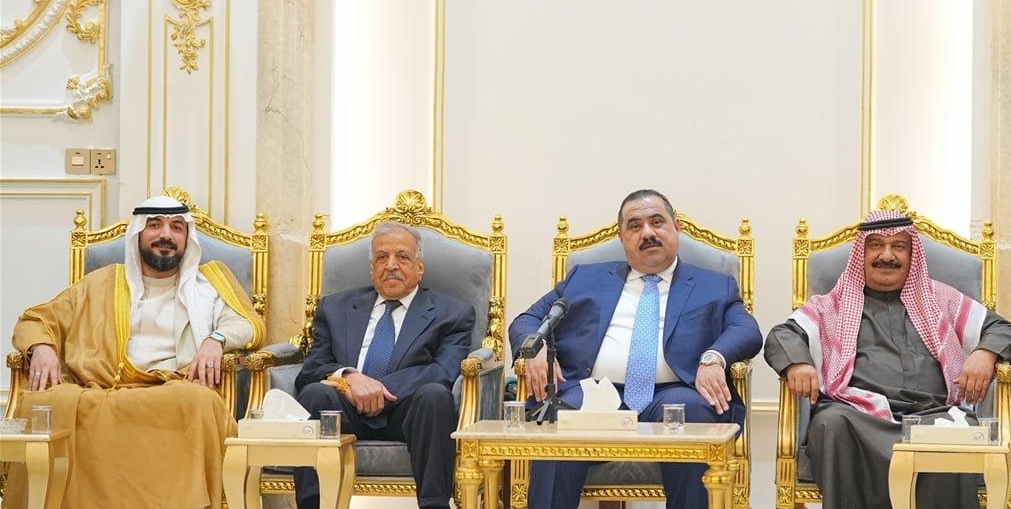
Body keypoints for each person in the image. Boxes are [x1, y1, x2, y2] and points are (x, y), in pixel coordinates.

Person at [509, 189, 763, 509]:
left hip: (674, 393)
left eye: (657, 222)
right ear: (622, 237)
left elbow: (746, 329)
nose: (647, 233)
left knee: (693, 412)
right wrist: (536, 348)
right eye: (634, 226)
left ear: (676, 227)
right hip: (593, 392)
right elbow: (527, 320)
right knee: (560, 415)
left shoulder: (713, 284)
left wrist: (714, 358)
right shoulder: (585, 279)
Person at [9, 194, 264, 508]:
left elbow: (249, 324)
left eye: (176, 227)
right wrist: (42, 346)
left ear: (187, 238)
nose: (166, 235)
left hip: (172, 388)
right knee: (48, 403)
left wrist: (217, 338)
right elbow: (35, 320)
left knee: (197, 401)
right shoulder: (101, 283)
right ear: (138, 234)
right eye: (155, 225)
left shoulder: (208, 284)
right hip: (100, 386)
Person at [764, 209, 1011, 509]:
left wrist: (985, 352)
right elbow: (782, 335)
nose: (886, 255)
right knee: (830, 424)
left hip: (932, 416)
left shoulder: (940, 299)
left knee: (954, 433)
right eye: (876, 245)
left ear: (912, 255)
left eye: (898, 246)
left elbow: (1010, 332)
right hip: (856, 416)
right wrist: (798, 362)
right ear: (861, 254)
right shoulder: (833, 305)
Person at [293, 220, 474, 509]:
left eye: (402, 257)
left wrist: (374, 388)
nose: (391, 265)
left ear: (419, 267)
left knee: (435, 395)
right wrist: (350, 378)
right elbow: (311, 369)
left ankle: (435, 505)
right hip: (345, 407)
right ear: (372, 268)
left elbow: (443, 371)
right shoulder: (335, 308)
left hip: (408, 411)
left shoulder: (452, 313)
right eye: (381, 257)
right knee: (315, 394)